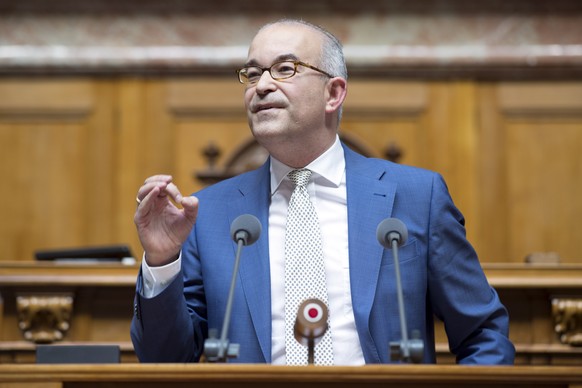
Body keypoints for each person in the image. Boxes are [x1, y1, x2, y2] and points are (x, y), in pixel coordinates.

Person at [130, 18, 515, 365]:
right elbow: (168, 358)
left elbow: (483, 333)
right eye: (252, 74)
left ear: (334, 93)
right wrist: (162, 261)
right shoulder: (210, 213)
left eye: (284, 69)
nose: (261, 86)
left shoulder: (417, 196)